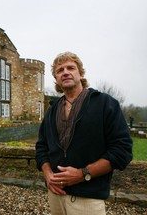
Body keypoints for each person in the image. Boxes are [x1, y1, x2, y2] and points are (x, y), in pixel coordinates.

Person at [35, 51, 133, 215]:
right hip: (55, 195)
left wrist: (83, 174)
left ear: (80, 73)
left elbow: (122, 150)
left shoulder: (104, 104)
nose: (65, 72)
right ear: (56, 79)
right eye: (60, 70)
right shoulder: (52, 110)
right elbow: (41, 146)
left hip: (88, 198)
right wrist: (48, 174)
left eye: (70, 68)